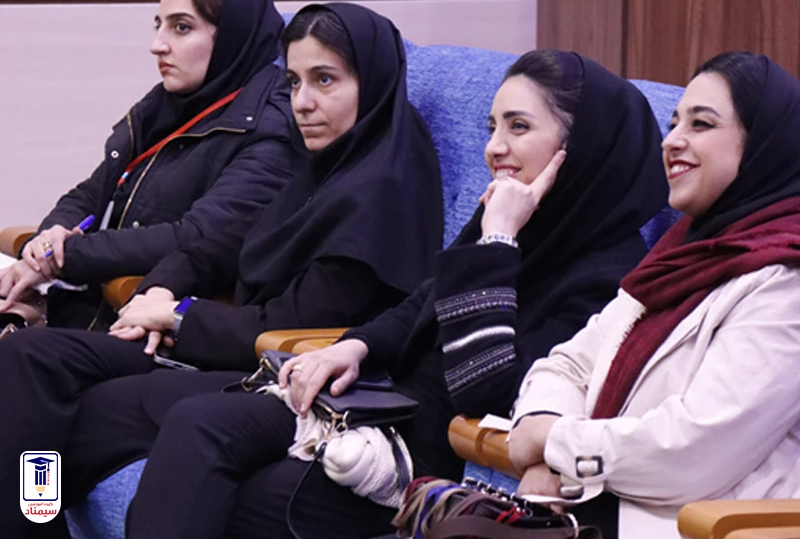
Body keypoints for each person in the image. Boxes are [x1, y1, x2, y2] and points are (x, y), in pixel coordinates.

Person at [117, 49, 670, 539]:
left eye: (518, 127)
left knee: (233, 498)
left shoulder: (606, 278)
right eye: (491, 126)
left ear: (581, 147)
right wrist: (354, 346)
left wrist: (498, 242)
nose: (494, 148)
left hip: (423, 457)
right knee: (197, 424)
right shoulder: (517, 216)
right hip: (372, 407)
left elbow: (485, 390)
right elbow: (424, 301)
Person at [0, 3, 443, 538]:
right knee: (29, 356)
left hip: (277, 368)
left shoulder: (385, 191)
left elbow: (296, 322)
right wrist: (158, 292)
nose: (302, 103)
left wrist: (179, 317)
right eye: (294, 82)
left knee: (75, 416)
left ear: (371, 82)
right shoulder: (323, 167)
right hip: (215, 344)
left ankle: (30, 518)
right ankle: (29, 523)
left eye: (324, 80)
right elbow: (219, 245)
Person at [507, 52, 800, 539]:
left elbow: (693, 452)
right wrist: (545, 439)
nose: (672, 141)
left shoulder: (786, 282)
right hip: (608, 510)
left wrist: (554, 444)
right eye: (673, 123)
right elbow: (564, 366)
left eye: (700, 124)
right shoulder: (679, 258)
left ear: (763, 145)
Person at [0, 0, 301, 330]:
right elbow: (91, 193)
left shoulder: (274, 129)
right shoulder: (166, 106)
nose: (157, 46)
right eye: (160, 26)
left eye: (181, 27)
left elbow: (195, 237)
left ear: (232, 36)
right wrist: (50, 239)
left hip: (148, 325)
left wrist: (63, 257)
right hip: (82, 305)